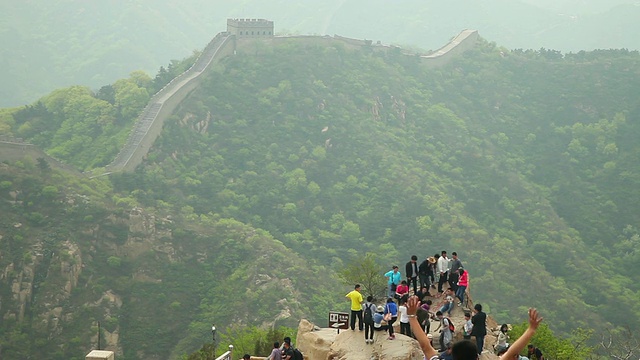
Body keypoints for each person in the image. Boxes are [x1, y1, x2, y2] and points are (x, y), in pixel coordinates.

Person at [406, 295, 439, 360]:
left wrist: (411, 317)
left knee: (421, 333)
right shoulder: (421, 310)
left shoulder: (423, 311)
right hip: (419, 323)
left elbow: (426, 348)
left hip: (420, 323)